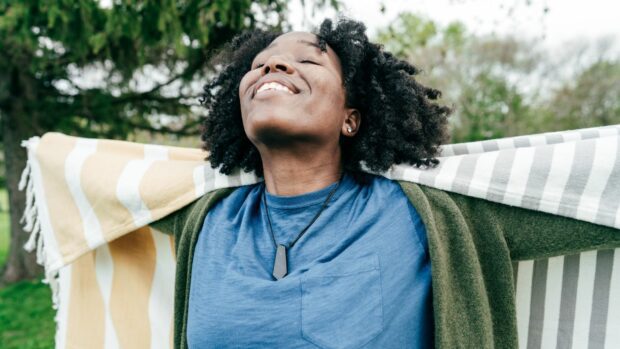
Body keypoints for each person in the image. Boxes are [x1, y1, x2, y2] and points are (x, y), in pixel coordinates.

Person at [150, 17, 620, 349]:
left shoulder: (427, 216)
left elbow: (592, 194)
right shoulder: (204, 217)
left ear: (350, 119)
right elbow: (95, 185)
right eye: (261, 64)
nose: (272, 67)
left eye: (308, 62)